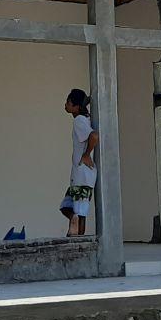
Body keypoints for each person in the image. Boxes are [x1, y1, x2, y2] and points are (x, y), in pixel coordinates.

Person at [59, 88, 99, 236]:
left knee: (79, 212)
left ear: (76, 107)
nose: (66, 105)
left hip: (82, 173)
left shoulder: (79, 121)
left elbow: (94, 136)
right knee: (69, 206)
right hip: (81, 174)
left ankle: (79, 240)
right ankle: (74, 224)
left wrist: (87, 154)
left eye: (69, 103)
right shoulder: (85, 118)